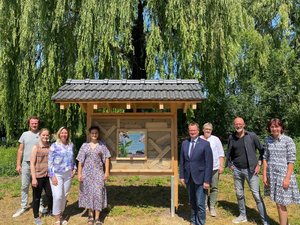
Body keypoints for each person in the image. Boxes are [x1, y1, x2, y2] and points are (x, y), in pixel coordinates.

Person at [226, 117, 269, 224]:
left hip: (251, 170)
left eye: (240, 124)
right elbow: (228, 153)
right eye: (236, 124)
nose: (238, 125)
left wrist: (259, 163)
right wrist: (229, 164)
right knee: (239, 194)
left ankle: (265, 221)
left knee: (256, 195)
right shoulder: (231, 138)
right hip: (237, 170)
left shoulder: (251, 136)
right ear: (234, 125)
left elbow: (262, 150)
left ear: (244, 125)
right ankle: (242, 215)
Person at [262, 118, 300, 225]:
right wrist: (264, 175)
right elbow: (265, 158)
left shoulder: (288, 140)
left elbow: (291, 161)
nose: (275, 129)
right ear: (269, 128)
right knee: (278, 203)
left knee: (281, 204)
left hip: (283, 176)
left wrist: (287, 178)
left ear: (281, 127)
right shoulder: (268, 140)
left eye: (277, 126)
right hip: (272, 176)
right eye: (272, 126)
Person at [13, 116, 47, 217]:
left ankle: (40, 205)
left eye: (36, 123)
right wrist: (18, 164)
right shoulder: (24, 134)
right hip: (26, 164)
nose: (34, 124)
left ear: (38, 124)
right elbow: (20, 150)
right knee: (24, 185)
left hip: (38, 164)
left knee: (38, 185)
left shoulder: (41, 134)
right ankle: (23, 206)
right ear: (29, 124)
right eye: (32, 123)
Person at [180, 122, 213, 225]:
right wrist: (182, 176)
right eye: (190, 130)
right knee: (192, 202)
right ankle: (193, 221)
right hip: (189, 178)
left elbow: (209, 163)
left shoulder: (205, 144)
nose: (192, 132)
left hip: (201, 179)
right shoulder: (184, 143)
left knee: (200, 203)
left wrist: (207, 180)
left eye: (194, 130)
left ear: (198, 131)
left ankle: (201, 222)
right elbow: (182, 161)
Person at [77, 126, 111, 225]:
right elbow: (80, 161)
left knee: (98, 193)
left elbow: (107, 158)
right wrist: (79, 173)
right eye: (92, 133)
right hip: (86, 174)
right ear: (90, 134)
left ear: (98, 134)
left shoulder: (102, 145)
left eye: (96, 133)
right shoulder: (84, 146)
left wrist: (107, 172)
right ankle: (90, 216)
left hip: (98, 173)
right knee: (88, 194)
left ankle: (97, 218)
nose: (94, 135)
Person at [48, 127, 76, 225]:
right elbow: (50, 162)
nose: (64, 134)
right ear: (59, 134)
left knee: (64, 195)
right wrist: (52, 176)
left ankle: (61, 215)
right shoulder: (54, 146)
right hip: (57, 174)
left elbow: (72, 158)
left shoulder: (71, 145)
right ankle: (57, 219)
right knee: (57, 196)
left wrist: (74, 169)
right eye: (62, 133)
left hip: (68, 174)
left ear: (68, 134)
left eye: (66, 133)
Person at [200, 122, 224, 217]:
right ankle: (205, 205)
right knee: (204, 187)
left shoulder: (215, 139)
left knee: (214, 187)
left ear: (211, 130)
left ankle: (212, 206)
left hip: (214, 167)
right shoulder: (199, 139)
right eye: (206, 129)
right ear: (203, 129)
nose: (208, 131)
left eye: (209, 129)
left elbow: (221, 153)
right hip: (202, 168)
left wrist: (221, 166)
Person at [30, 128, 53, 225]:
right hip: (38, 176)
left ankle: (50, 210)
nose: (45, 137)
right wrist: (34, 178)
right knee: (36, 197)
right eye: (43, 135)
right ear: (40, 136)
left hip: (48, 176)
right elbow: (32, 163)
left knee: (50, 195)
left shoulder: (50, 147)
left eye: (47, 135)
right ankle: (36, 216)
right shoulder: (35, 147)